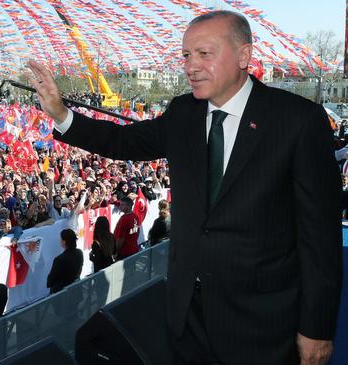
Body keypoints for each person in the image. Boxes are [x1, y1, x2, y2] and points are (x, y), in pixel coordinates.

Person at [29, 10, 341, 365]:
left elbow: (321, 239)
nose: (191, 66)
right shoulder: (183, 114)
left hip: (264, 326)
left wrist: (316, 327)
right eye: (186, 55)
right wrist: (60, 113)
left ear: (244, 56)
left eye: (204, 54)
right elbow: (122, 141)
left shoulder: (297, 121)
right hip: (187, 321)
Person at [46, 229, 83, 294]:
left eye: (61, 239)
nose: (60, 241)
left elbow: (50, 282)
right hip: (76, 291)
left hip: (61, 294)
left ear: (64, 242)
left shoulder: (59, 259)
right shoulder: (79, 253)